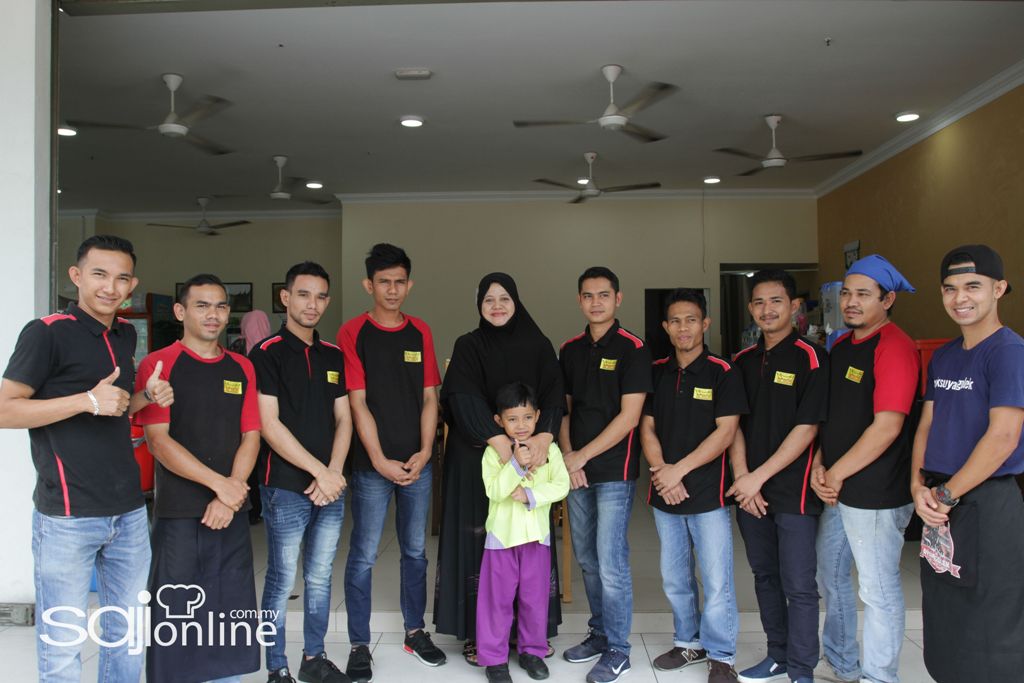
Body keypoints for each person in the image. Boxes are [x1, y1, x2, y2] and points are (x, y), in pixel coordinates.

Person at [0, 235, 172, 683]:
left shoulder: (124, 333)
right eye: (99, 274)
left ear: (132, 284)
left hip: (128, 510)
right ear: (76, 276)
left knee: (128, 637)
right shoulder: (46, 332)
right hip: (67, 515)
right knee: (63, 642)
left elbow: (115, 407)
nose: (110, 287)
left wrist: (145, 396)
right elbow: (5, 409)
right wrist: (85, 401)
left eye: (121, 278)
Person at [135, 273, 261, 683]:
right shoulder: (159, 365)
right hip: (179, 511)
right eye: (202, 305)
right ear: (180, 311)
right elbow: (158, 442)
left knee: (231, 605)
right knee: (178, 610)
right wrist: (219, 486)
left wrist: (229, 496)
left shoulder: (242, 366)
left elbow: (251, 436)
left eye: (221, 306)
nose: (213, 314)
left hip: (230, 509)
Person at [434, 272, 564, 666]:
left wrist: (543, 438)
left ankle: (528, 636)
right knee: (480, 546)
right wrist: (499, 441)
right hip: (478, 456)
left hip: (531, 455)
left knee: (528, 547)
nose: (496, 306)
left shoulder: (539, 345)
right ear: (479, 305)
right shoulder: (468, 345)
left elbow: (554, 395)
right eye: (488, 299)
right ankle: (478, 635)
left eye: (504, 298)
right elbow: (461, 398)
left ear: (516, 301)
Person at [911, 244, 1024, 683]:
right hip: (939, 503)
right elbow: (926, 425)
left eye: (973, 286)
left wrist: (945, 494)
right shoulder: (945, 355)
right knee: (945, 607)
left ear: (999, 288)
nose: (960, 298)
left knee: (990, 618)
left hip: (986, 503)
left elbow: (1003, 437)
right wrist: (918, 486)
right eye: (950, 288)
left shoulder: (1009, 352)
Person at [337, 243, 447, 682]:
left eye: (400, 282)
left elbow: (430, 397)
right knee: (363, 555)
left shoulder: (420, 331)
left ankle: (415, 631)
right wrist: (379, 459)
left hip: (417, 465)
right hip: (372, 468)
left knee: (415, 552)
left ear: (409, 284)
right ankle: (359, 644)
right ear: (369, 285)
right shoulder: (353, 332)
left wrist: (425, 451)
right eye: (384, 282)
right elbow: (357, 402)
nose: (392, 289)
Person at [811, 255, 920, 683]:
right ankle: (842, 662)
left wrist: (835, 473)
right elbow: (834, 417)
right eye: (846, 293)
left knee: (877, 588)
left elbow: (887, 426)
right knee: (830, 574)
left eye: (862, 294)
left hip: (876, 492)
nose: (851, 302)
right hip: (837, 487)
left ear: (887, 300)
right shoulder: (841, 346)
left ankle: (880, 676)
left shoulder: (895, 346)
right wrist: (820, 464)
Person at [248, 262, 351, 683]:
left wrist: (334, 473)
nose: (313, 304)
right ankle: (277, 666)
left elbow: (344, 418)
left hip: (330, 487)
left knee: (320, 576)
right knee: (281, 578)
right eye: (303, 295)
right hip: (285, 486)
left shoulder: (333, 355)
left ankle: (314, 658)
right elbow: (269, 425)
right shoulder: (266, 353)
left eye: (320, 296)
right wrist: (320, 473)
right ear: (285, 297)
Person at [640, 288, 748, 683]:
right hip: (665, 493)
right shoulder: (656, 371)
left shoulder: (723, 371)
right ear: (665, 327)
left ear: (705, 324)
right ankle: (688, 642)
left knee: (717, 579)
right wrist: (662, 471)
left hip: (707, 493)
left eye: (691, 320)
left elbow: (726, 432)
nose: (683, 327)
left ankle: (721, 655)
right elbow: (646, 427)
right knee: (675, 576)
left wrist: (678, 471)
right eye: (675, 321)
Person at [729, 270, 828, 683]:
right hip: (750, 491)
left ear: (794, 306)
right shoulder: (741, 362)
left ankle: (801, 669)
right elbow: (732, 424)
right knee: (765, 575)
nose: (766, 310)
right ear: (750, 308)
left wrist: (758, 477)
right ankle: (778, 655)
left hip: (794, 491)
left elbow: (807, 429)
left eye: (775, 301)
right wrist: (743, 478)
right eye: (758, 302)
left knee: (799, 584)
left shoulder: (812, 357)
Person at [558, 267, 651, 681]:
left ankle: (619, 649)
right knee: (586, 558)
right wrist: (568, 456)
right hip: (576, 470)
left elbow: (629, 417)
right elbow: (563, 409)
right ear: (579, 300)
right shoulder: (570, 349)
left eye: (603, 295)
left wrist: (582, 456)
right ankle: (599, 633)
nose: (595, 302)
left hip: (615, 469)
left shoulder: (634, 349)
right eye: (588, 295)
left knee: (611, 561)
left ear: (618, 298)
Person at [477, 382, 570, 683]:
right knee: (497, 601)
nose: (521, 425)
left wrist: (530, 495)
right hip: (501, 539)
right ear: (499, 421)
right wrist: (516, 465)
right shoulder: (493, 453)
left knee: (534, 598)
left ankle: (532, 652)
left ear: (538, 416)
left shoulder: (550, 450)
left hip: (537, 538)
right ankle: (494, 659)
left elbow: (561, 486)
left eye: (527, 417)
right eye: (512, 419)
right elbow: (494, 490)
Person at [240, 309, 272, 523]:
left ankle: (251, 510)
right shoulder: (271, 350)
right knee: (263, 464)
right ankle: (259, 508)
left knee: (249, 464)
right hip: (269, 419)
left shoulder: (238, 350)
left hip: (245, 420)